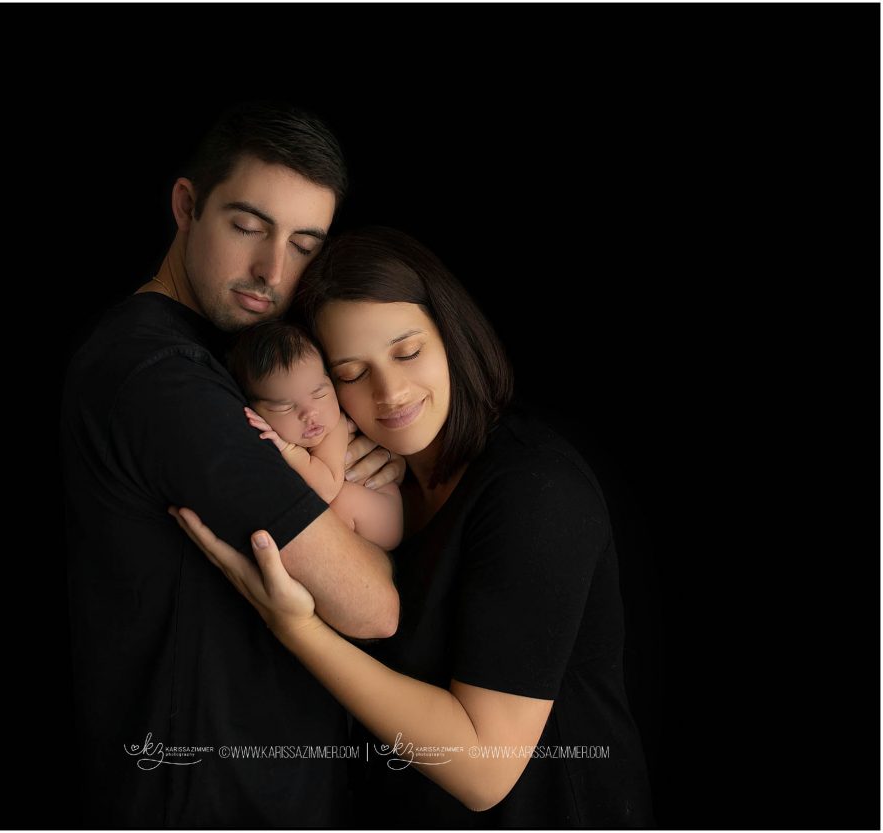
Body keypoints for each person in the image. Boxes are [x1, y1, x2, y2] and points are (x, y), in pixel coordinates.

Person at [171, 226, 656, 827]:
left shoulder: (536, 491)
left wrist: (295, 628)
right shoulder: (383, 488)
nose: (391, 392)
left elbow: (486, 769)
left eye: (407, 352)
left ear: (449, 334)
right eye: (350, 372)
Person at [60, 104, 405, 828]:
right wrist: (343, 486)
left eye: (304, 244)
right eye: (248, 225)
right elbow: (372, 605)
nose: (272, 271)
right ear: (187, 205)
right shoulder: (162, 377)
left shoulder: (235, 358)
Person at [227, 320, 404, 550]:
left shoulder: (335, 429)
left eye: (319, 393)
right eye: (284, 407)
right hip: (363, 518)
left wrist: (289, 450)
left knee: (339, 501)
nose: (310, 413)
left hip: (380, 513)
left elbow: (327, 487)